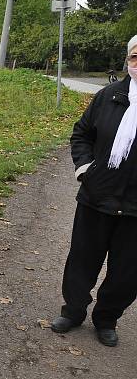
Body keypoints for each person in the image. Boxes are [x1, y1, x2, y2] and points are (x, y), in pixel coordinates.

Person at [51, 34, 137, 347]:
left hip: (134, 207)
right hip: (96, 195)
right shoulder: (108, 96)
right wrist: (86, 169)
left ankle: (107, 318)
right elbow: (82, 134)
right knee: (82, 259)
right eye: (135, 57)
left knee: (127, 272)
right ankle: (73, 311)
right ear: (127, 61)